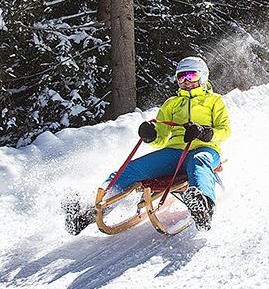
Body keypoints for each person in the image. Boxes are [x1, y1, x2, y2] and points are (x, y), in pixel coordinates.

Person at [67, 56, 229, 234]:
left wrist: (205, 133)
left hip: (205, 150)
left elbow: (225, 130)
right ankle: (89, 211)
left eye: (190, 75)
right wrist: (150, 134)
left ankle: (203, 206)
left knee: (198, 163)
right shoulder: (171, 104)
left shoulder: (214, 101)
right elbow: (161, 137)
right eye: (181, 77)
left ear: (203, 76)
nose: (186, 81)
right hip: (174, 153)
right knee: (131, 169)